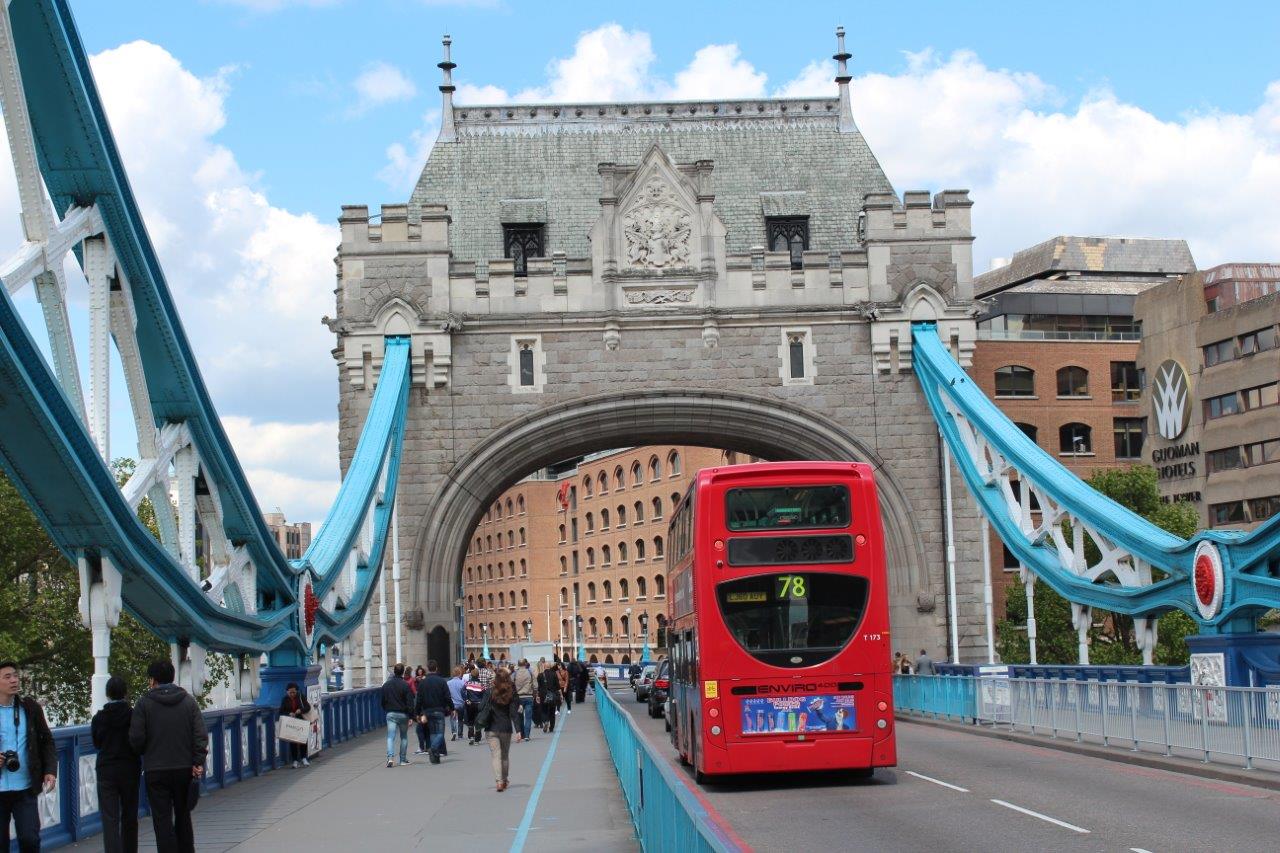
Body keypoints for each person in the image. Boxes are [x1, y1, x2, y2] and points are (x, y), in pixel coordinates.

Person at [129, 659, 207, 853]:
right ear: (173, 677)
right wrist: (197, 761)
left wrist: (146, 751)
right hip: (183, 768)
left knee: (161, 819)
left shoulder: (143, 703)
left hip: (155, 770)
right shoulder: (189, 702)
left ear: (153, 680)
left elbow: (136, 738)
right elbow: (200, 735)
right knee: (183, 816)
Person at [0, 661, 56, 853]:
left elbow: (47, 740)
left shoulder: (29, 708)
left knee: (30, 839)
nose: (14, 680)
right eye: (7, 677)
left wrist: (50, 770)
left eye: (15, 675)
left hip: (25, 787)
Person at [93, 675, 141, 853]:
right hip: (129, 768)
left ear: (107, 695)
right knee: (130, 816)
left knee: (110, 818)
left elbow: (97, 743)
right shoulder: (133, 715)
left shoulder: (99, 718)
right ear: (126, 694)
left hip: (106, 770)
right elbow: (138, 740)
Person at [478, 669, 520, 792]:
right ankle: (505, 780)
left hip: (491, 728)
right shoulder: (510, 693)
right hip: (506, 728)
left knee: (496, 756)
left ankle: (499, 782)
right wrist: (518, 730)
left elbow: (480, 707)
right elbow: (514, 713)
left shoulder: (490, 692)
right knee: (505, 756)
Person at [414, 660, 453, 764]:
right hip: (439, 710)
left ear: (427, 669)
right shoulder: (441, 681)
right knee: (440, 733)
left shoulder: (422, 683)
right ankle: (433, 748)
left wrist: (417, 713)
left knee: (432, 733)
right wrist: (452, 709)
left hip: (427, 711)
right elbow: (447, 697)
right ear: (436, 668)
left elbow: (419, 699)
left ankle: (435, 758)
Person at [380, 663, 414, 767]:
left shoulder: (386, 685)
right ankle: (402, 759)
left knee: (390, 737)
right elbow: (410, 702)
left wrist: (387, 709)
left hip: (391, 713)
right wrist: (411, 716)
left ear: (394, 671)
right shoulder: (405, 685)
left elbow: (382, 701)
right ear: (403, 672)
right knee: (403, 737)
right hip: (403, 714)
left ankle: (390, 758)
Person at [278, 683, 311, 768]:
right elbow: (281, 711)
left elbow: (308, 707)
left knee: (303, 740)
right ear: (287, 692)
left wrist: (300, 710)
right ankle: (295, 761)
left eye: (294, 692)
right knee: (293, 741)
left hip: (301, 721)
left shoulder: (301, 697)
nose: (292, 694)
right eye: (290, 692)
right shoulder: (285, 699)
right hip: (291, 722)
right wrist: (289, 713)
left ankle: (304, 758)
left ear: (297, 691)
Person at [463, 666, 486, 745]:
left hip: (470, 704)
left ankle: (471, 737)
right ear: (478, 675)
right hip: (478, 704)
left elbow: (462, 691)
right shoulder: (481, 684)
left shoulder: (468, 683)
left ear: (471, 675)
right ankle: (477, 740)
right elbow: (484, 695)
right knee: (478, 721)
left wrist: (466, 699)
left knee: (470, 721)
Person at [512, 660, 535, 742]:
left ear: (518, 665)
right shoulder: (529, 672)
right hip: (528, 696)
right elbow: (535, 685)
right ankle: (527, 735)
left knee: (520, 717)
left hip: (518, 698)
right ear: (525, 664)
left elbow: (511, 684)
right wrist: (535, 693)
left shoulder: (515, 673)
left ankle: (522, 734)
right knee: (528, 717)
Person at [537, 662, 561, 733]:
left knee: (543, 710)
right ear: (550, 667)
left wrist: (537, 696)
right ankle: (551, 727)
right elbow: (558, 686)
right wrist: (560, 695)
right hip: (552, 695)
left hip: (543, 696)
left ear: (544, 667)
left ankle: (545, 721)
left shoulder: (540, 675)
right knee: (552, 711)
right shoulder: (554, 674)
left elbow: (538, 687)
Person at [412, 666, 429, 755]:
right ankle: (427, 747)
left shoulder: (420, 693)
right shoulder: (427, 690)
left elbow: (418, 703)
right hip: (428, 711)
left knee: (420, 729)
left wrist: (416, 714)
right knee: (426, 729)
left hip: (423, 712)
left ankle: (422, 747)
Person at [447, 666, 466, 741]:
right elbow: (464, 693)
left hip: (452, 703)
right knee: (460, 719)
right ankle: (460, 734)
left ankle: (454, 732)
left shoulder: (448, 683)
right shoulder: (462, 683)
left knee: (452, 718)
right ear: (460, 673)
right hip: (461, 703)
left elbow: (447, 694)